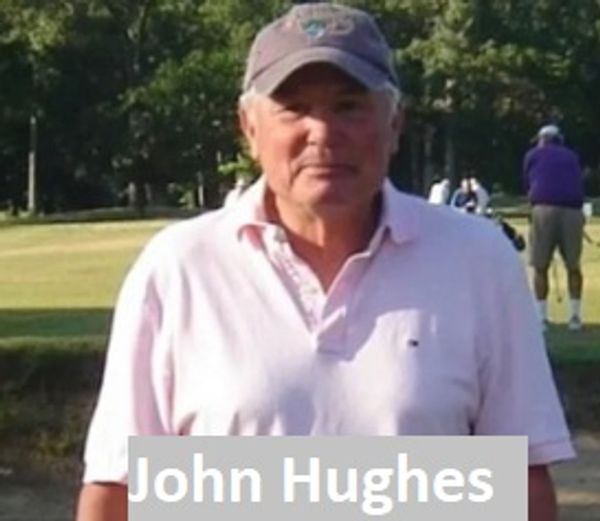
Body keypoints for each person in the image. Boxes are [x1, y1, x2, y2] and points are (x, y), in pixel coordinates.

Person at [76, 4, 574, 520]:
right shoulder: (177, 268)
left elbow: (521, 488)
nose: (322, 131)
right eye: (293, 107)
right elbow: (118, 491)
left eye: (349, 106)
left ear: (395, 123)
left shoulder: (478, 259)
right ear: (250, 128)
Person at [523, 124, 585, 330]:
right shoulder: (572, 156)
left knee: (540, 265)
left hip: (543, 209)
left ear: (542, 139)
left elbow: (528, 182)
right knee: (573, 265)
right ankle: (575, 317)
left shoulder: (533, 155)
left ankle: (541, 318)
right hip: (572, 211)